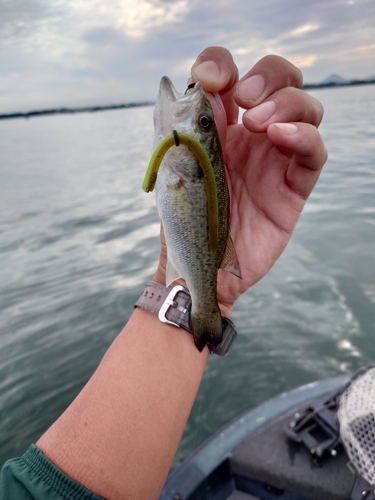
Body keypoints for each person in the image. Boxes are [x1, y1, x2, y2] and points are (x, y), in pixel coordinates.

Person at [0, 46, 327, 500]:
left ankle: (202, 314)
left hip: (203, 264)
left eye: (203, 125)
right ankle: (202, 315)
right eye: (205, 126)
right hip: (198, 261)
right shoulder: (179, 164)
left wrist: (206, 292)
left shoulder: (182, 164)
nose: (194, 113)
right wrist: (190, 290)